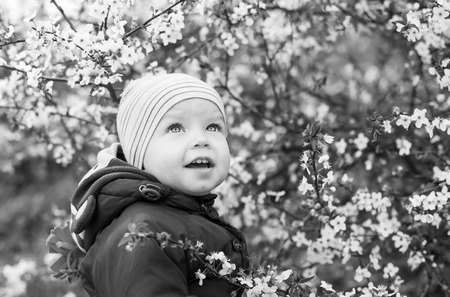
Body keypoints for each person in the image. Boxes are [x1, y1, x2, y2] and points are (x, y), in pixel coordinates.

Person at [66, 73, 249, 296]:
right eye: (175, 128)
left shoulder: (180, 216)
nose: (202, 139)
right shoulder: (144, 232)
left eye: (213, 127)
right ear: (139, 153)